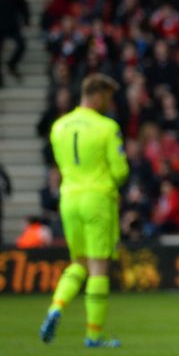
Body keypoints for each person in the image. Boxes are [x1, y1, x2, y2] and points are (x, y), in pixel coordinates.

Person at [39, 73, 129, 348]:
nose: (109, 103)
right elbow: (120, 170)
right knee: (98, 266)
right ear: (98, 94)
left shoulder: (59, 126)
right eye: (108, 97)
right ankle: (93, 335)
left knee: (77, 262)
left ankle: (56, 307)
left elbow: (61, 163)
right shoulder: (106, 127)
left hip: (68, 199)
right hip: (97, 198)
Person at [0, 0, 30, 86]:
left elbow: (23, 5)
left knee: (21, 45)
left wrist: (26, 20)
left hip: (12, 25)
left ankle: (11, 64)